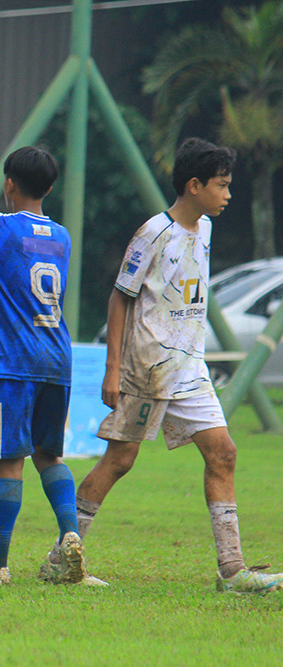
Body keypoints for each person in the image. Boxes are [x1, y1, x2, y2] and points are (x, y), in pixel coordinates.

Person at [74, 137, 283, 593]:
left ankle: (233, 571)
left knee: (224, 452)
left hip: (191, 368)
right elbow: (120, 297)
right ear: (194, 185)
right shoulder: (154, 232)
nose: (228, 195)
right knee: (120, 460)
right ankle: (62, 555)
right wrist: (113, 368)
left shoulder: (205, 229)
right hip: (149, 368)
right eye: (222, 186)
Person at [0, 146, 102, 586]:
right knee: (50, 454)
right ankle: (70, 537)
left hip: (14, 362)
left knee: (7, 464)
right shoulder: (62, 236)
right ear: (50, 187)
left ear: (8, 183)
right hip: (58, 357)